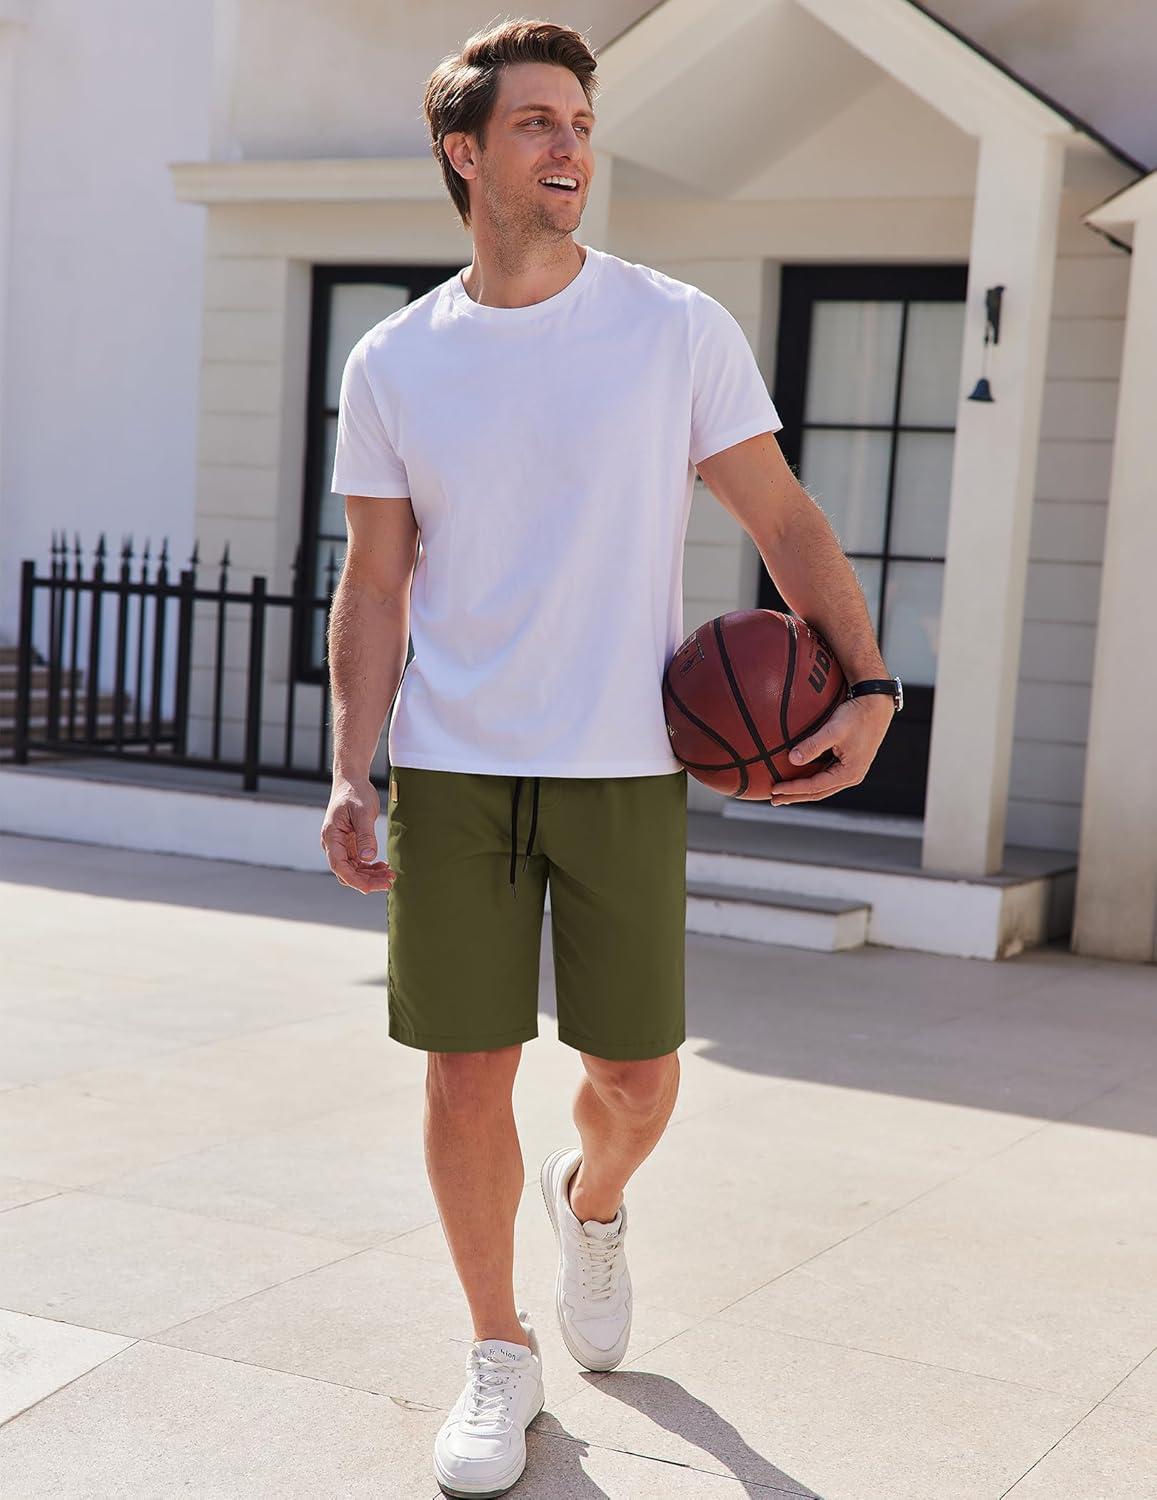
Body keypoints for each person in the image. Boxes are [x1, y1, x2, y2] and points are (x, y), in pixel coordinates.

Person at [320, 17, 897, 1498]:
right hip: (454, 767)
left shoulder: (672, 327)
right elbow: (374, 582)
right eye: (538, 123)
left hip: (627, 767)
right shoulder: (395, 359)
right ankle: (497, 1352)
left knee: (635, 1078)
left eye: (581, 122)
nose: (571, 146)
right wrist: (352, 768)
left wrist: (871, 683)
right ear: (465, 153)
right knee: (465, 1075)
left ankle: (591, 1202)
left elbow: (783, 520)